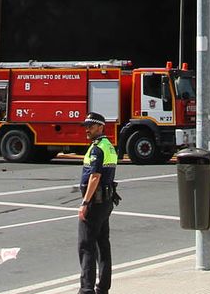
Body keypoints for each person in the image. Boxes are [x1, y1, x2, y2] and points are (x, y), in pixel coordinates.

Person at [77, 112, 118, 294]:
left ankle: (86, 289)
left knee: (86, 245)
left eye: (91, 126)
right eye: (86, 126)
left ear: (101, 127)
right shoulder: (109, 146)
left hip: (95, 202)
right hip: (106, 201)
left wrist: (85, 202)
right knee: (103, 244)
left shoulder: (97, 149)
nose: (87, 129)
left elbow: (95, 177)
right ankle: (103, 288)